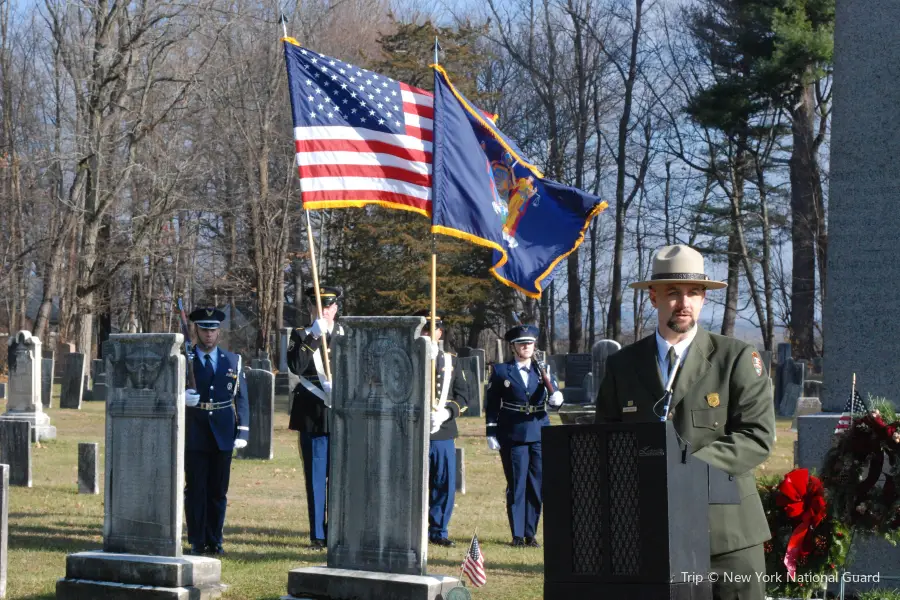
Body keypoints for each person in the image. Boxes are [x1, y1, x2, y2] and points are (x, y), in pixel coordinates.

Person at [594, 244, 775, 600]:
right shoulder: (623, 366)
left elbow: (757, 436)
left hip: (727, 537)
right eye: (673, 293)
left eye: (694, 293)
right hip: (651, 536)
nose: (684, 303)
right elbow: (607, 440)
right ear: (652, 297)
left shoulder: (735, 358)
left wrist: (684, 473)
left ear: (705, 299)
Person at [485, 324, 563, 547]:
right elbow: (491, 405)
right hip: (513, 433)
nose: (526, 346)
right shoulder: (502, 371)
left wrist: (557, 399)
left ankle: (531, 533)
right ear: (513, 347)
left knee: (536, 485)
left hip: (539, 432)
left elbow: (554, 397)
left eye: (529, 343)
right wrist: (491, 431)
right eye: (521, 343)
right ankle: (518, 535)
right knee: (517, 484)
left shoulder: (543, 369)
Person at [184, 307, 250, 556]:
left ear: (219, 332)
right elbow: (166, 390)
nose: (209, 335)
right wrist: (181, 397)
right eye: (204, 329)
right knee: (196, 489)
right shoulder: (184, 358)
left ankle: (215, 538)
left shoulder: (233, 360)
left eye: (213, 330)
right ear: (196, 330)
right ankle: (197, 540)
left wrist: (242, 431)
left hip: (223, 432)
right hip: (194, 431)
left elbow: (242, 397)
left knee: (218, 491)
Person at [287, 285, 344, 549]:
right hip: (312, 414)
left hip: (341, 416)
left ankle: (336, 530)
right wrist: (313, 337)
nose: (324, 311)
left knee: (340, 477)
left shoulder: (347, 335)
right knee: (316, 477)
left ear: (335, 308)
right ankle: (318, 535)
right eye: (319, 306)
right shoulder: (300, 335)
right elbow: (296, 366)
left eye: (329, 306)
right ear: (310, 308)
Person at [415, 309, 470, 547]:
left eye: (434, 329)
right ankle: (412, 530)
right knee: (413, 484)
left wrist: (447, 412)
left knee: (443, 482)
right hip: (414, 431)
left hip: (443, 431)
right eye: (425, 329)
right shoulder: (407, 358)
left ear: (440, 331)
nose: (430, 333)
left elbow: (464, 396)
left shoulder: (451, 360)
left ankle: (439, 531)